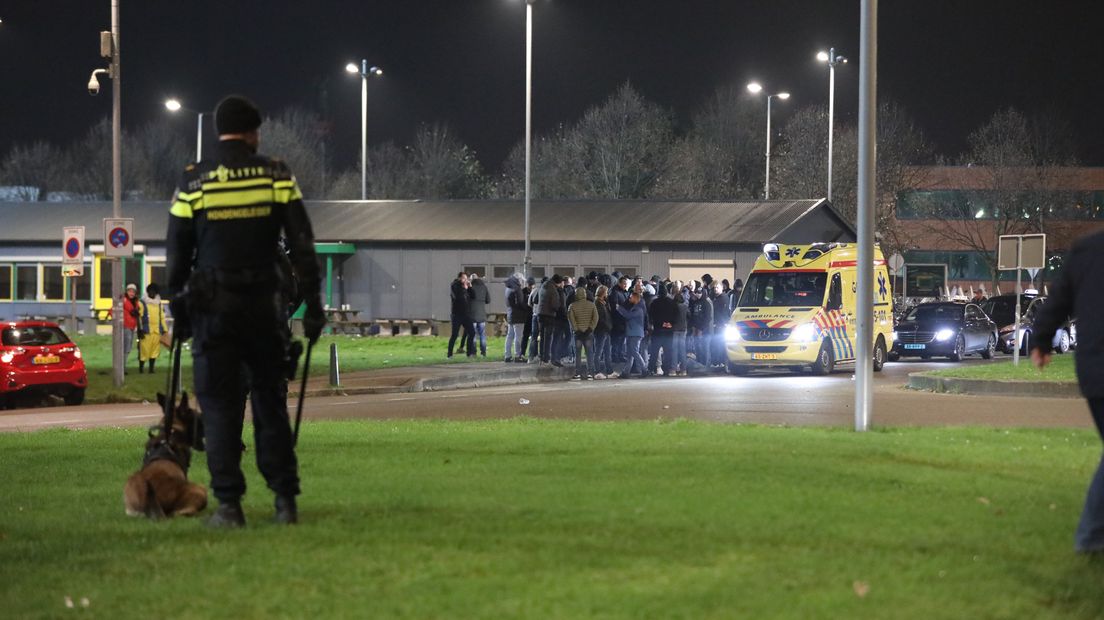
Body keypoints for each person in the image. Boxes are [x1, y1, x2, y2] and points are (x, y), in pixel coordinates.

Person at [165, 94, 325, 528]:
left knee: (218, 408)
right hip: (264, 311)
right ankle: (284, 502)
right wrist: (314, 306)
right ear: (254, 134)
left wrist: (177, 307)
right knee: (270, 404)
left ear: (219, 132)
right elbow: (303, 244)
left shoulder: (193, 181)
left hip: (213, 313)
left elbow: (177, 253)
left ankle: (229, 507)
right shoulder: (276, 174)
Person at [1031, 231, 1104, 553]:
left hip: (1094, 367)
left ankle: (1091, 537)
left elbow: (1059, 299)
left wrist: (1042, 339)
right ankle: (1090, 537)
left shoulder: (1086, 251)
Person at [567, 286, 598, 380]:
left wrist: (577, 329)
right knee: (589, 353)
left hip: (578, 334)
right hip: (588, 333)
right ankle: (590, 373)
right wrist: (590, 328)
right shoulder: (592, 305)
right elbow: (596, 318)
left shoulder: (572, 306)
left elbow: (571, 320)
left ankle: (578, 373)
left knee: (578, 354)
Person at [616, 291, 648, 378]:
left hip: (635, 333)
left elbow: (628, 315)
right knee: (630, 353)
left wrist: (619, 308)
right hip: (632, 333)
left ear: (635, 298)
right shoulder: (636, 307)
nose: (629, 299)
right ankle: (626, 372)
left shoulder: (638, 309)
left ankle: (644, 369)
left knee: (634, 352)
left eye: (631, 297)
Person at [137, 283, 167, 374]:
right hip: (146, 330)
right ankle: (141, 369)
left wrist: (165, 330)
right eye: (150, 291)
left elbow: (162, 317)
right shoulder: (142, 303)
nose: (152, 293)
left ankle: (151, 369)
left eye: (154, 292)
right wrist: (139, 330)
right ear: (148, 291)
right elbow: (139, 317)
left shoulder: (159, 304)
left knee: (155, 350)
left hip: (157, 330)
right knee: (144, 350)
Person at [537, 274, 563, 365]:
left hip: (540, 314)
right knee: (548, 338)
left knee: (542, 337)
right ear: (558, 282)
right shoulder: (553, 290)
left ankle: (541, 357)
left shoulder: (543, 286)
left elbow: (536, 299)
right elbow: (555, 305)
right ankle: (546, 358)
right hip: (549, 315)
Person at [448, 272, 475, 358]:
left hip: (466, 314)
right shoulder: (455, 286)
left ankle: (469, 353)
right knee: (454, 335)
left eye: (466, 278)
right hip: (457, 314)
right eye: (464, 278)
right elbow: (457, 297)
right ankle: (449, 354)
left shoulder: (466, 287)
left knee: (472, 332)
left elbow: (473, 296)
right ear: (459, 278)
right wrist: (465, 288)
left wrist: (470, 287)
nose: (465, 280)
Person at [504, 273, 528, 362]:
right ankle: (518, 355)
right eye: (521, 280)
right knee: (518, 337)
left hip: (510, 314)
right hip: (518, 316)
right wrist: (527, 307)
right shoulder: (517, 289)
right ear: (519, 280)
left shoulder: (508, 288)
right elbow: (520, 302)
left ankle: (507, 355)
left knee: (510, 336)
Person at [593, 285, 613, 378]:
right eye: (606, 292)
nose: (607, 294)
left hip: (606, 330)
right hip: (601, 330)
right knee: (598, 351)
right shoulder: (597, 303)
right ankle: (597, 371)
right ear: (602, 293)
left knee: (607, 352)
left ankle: (609, 371)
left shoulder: (603, 302)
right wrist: (606, 325)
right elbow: (600, 318)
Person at [469, 273, 491, 357]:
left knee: (473, 335)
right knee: (482, 335)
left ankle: (473, 353)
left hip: (472, 315)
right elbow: (488, 300)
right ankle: (483, 352)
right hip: (482, 315)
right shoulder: (484, 287)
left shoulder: (470, 288)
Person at [121, 283, 140, 370]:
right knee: (125, 348)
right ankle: (122, 368)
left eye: (133, 292)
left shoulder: (136, 302)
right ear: (127, 292)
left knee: (128, 348)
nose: (131, 293)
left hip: (132, 327)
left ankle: (123, 367)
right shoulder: (123, 300)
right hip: (125, 327)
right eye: (130, 291)